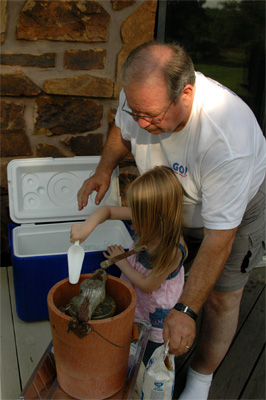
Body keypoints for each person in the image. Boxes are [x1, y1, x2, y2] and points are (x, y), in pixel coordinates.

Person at [76, 41, 266, 399]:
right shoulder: (140, 99)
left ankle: (201, 378)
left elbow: (218, 239)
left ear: (187, 93)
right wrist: (104, 169)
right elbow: (122, 128)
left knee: (220, 298)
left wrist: (186, 308)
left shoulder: (227, 139)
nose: (143, 124)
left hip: (231, 210)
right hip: (168, 205)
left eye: (153, 115)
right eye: (137, 112)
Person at [71, 166, 187, 365]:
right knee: (131, 337)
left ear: (158, 214)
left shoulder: (172, 249)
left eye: (139, 215)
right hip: (138, 300)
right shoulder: (148, 217)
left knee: (153, 355)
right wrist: (85, 228)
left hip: (155, 311)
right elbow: (107, 211)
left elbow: (149, 285)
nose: (134, 220)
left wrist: (121, 262)